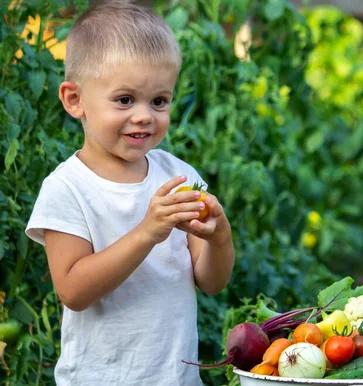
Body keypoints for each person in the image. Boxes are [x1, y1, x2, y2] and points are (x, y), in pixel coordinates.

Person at [24, 1, 235, 384]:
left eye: (159, 101)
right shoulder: (68, 187)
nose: (144, 115)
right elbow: (73, 290)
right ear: (75, 100)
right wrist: (146, 233)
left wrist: (220, 238)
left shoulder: (178, 176)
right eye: (125, 100)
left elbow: (211, 282)